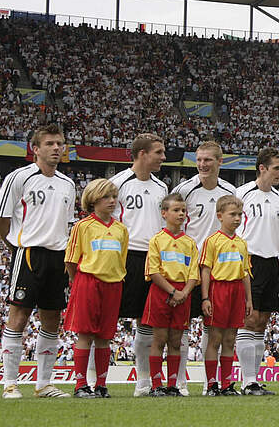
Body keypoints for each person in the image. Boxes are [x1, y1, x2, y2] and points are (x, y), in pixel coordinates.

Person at [0, 123, 75, 400]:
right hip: (28, 253)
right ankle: (10, 383)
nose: (56, 148)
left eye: (59, 143)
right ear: (35, 148)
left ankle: (43, 384)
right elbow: (0, 218)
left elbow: (68, 224)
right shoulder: (19, 177)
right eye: (50, 143)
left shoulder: (68, 184)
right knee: (18, 315)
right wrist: (14, 245)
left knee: (52, 318)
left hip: (58, 256)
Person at [174, 140, 237, 395]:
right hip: (188, 268)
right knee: (181, 329)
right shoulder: (184, 189)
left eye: (208, 160)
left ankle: (210, 382)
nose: (202, 164)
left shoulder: (230, 192)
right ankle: (179, 381)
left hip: (217, 272)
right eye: (199, 160)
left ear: (220, 162)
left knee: (214, 331)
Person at [110, 133, 169, 397]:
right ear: (142, 154)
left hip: (153, 259)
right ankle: (92, 381)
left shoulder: (161, 188)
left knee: (147, 322)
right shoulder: (118, 183)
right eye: (159, 152)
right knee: (107, 320)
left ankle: (143, 382)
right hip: (124, 258)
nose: (163, 157)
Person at [62, 178, 128, 399]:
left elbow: (121, 260)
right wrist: (79, 283)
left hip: (114, 285)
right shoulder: (82, 226)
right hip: (88, 282)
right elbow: (71, 261)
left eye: (113, 197)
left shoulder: (121, 229)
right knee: (85, 334)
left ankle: (101, 385)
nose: (112, 201)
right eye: (106, 197)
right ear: (92, 200)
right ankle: (80, 384)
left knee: (105, 336)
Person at [234, 148, 279, 395]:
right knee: (249, 319)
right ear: (262, 168)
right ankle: (247, 380)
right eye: (276, 167)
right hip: (250, 260)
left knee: (263, 322)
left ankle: (253, 381)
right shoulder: (242, 194)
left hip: (272, 261)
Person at [142, 193, 199, 397]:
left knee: (176, 341)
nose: (181, 214)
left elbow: (194, 272)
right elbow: (153, 271)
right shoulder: (157, 240)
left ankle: (172, 384)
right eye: (176, 210)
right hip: (162, 292)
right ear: (164, 213)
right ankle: (156, 385)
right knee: (159, 339)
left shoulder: (190, 243)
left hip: (183, 293)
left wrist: (184, 292)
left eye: (183, 210)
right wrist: (173, 291)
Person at [199, 194, 253, 396]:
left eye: (240, 214)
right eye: (233, 214)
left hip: (237, 290)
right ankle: (212, 384)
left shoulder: (242, 243)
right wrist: (205, 298)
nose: (237, 218)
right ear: (220, 216)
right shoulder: (212, 241)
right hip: (218, 289)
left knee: (230, 339)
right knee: (215, 338)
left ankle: (227, 383)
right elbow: (205, 270)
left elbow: (245, 272)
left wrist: (249, 299)